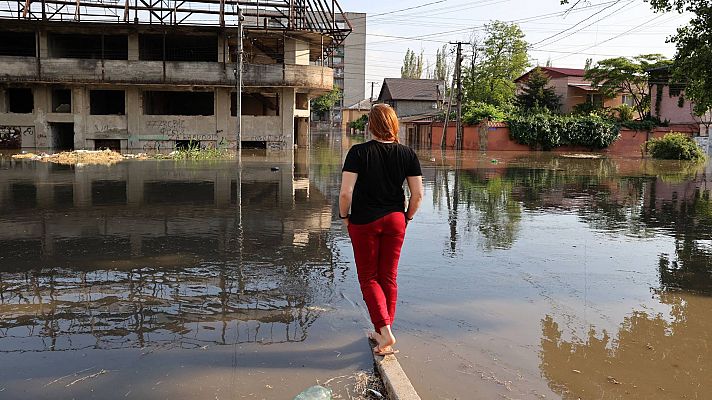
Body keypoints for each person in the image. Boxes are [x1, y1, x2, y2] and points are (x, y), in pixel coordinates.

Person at [338, 103, 424, 356]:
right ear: (394, 125)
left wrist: (344, 216)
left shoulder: (358, 152)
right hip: (395, 219)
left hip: (364, 220)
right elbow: (417, 194)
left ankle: (383, 331)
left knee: (368, 277)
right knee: (388, 276)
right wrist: (406, 217)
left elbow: (345, 192)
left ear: (370, 126)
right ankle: (385, 329)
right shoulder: (407, 153)